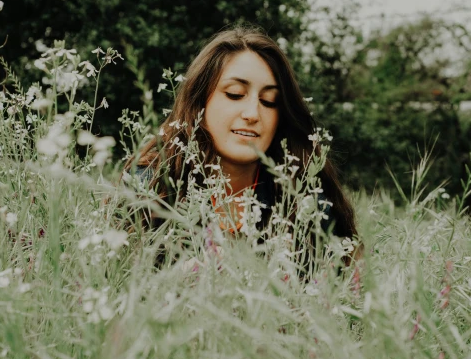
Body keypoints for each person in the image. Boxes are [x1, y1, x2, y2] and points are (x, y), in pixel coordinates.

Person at [124, 25, 359, 265]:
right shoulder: (150, 186)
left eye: (269, 101)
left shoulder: (307, 203)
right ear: (199, 101)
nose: (252, 113)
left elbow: (336, 292)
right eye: (235, 94)